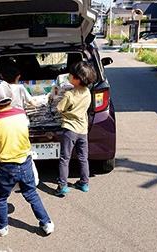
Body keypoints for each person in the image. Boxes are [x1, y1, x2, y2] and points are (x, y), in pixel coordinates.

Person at [0, 82, 54, 236]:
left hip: (6, 166)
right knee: (31, 194)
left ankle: (2, 226)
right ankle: (46, 223)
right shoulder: (21, 113)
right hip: (25, 161)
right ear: (12, 97)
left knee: (1, 197)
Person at [55, 61, 97, 196]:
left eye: (71, 75)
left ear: (77, 79)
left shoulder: (69, 94)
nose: (69, 76)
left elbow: (59, 109)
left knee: (64, 158)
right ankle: (84, 183)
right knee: (83, 158)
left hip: (70, 129)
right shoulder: (87, 92)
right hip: (83, 130)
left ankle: (62, 185)